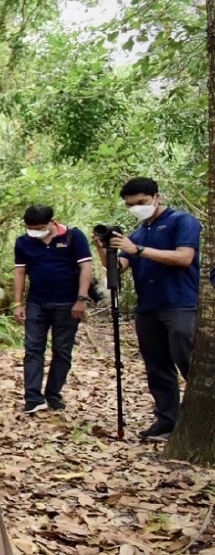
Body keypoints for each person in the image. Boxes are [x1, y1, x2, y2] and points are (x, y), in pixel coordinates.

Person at [91, 177, 202, 441]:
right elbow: (117, 268)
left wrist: (137, 249)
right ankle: (167, 422)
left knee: (188, 361)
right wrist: (103, 250)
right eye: (130, 205)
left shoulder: (181, 221)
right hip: (148, 308)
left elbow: (185, 257)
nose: (136, 208)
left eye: (141, 202)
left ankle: (201, 420)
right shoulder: (139, 232)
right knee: (157, 367)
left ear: (156, 197)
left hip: (181, 304)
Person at [13, 206, 92, 413]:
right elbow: (20, 273)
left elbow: (86, 267)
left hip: (67, 303)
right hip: (36, 303)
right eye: (30, 228)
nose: (34, 232)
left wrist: (81, 299)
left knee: (62, 350)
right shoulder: (23, 242)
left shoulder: (74, 237)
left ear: (52, 222)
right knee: (33, 350)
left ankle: (53, 394)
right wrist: (18, 303)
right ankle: (33, 398)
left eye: (39, 228)